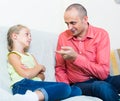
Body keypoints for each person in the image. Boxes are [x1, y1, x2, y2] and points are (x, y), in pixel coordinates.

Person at [55, 3, 120, 101]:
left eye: (73, 23)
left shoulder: (101, 34)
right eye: (66, 23)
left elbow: (103, 73)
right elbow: (60, 68)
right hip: (80, 84)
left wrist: (76, 58)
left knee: (103, 84)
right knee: (102, 87)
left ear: (85, 19)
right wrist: (66, 90)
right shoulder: (63, 37)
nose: (69, 27)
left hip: (102, 78)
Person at [7, 24, 82, 101]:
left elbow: (42, 76)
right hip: (22, 85)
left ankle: (36, 96)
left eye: (30, 35)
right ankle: (30, 98)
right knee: (65, 87)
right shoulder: (13, 55)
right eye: (27, 34)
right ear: (15, 36)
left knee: (76, 90)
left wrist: (33, 71)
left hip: (35, 84)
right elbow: (27, 75)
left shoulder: (30, 56)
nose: (30, 37)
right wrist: (39, 67)